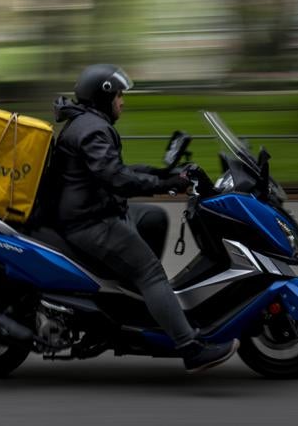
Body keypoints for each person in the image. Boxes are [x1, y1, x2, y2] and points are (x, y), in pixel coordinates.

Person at [49, 64, 238, 373]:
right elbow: (116, 178)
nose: (123, 101)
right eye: (120, 95)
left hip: (95, 209)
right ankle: (190, 348)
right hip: (89, 221)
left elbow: (114, 169)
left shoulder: (86, 123)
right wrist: (166, 185)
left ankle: (135, 300)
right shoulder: (93, 129)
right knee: (150, 272)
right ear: (103, 97)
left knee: (153, 218)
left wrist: (160, 173)